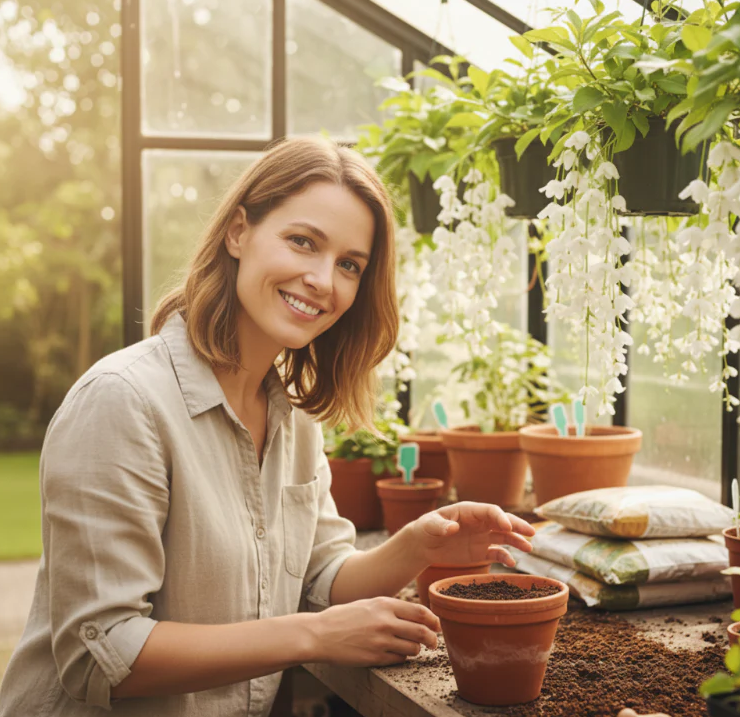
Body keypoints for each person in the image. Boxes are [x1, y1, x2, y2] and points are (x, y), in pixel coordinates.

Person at [0, 136, 535, 717]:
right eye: (303, 242)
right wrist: (316, 636)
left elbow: (321, 576)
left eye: (349, 265)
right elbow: (102, 653)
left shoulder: (294, 418)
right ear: (237, 232)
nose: (323, 281)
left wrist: (418, 544)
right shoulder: (123, 402)